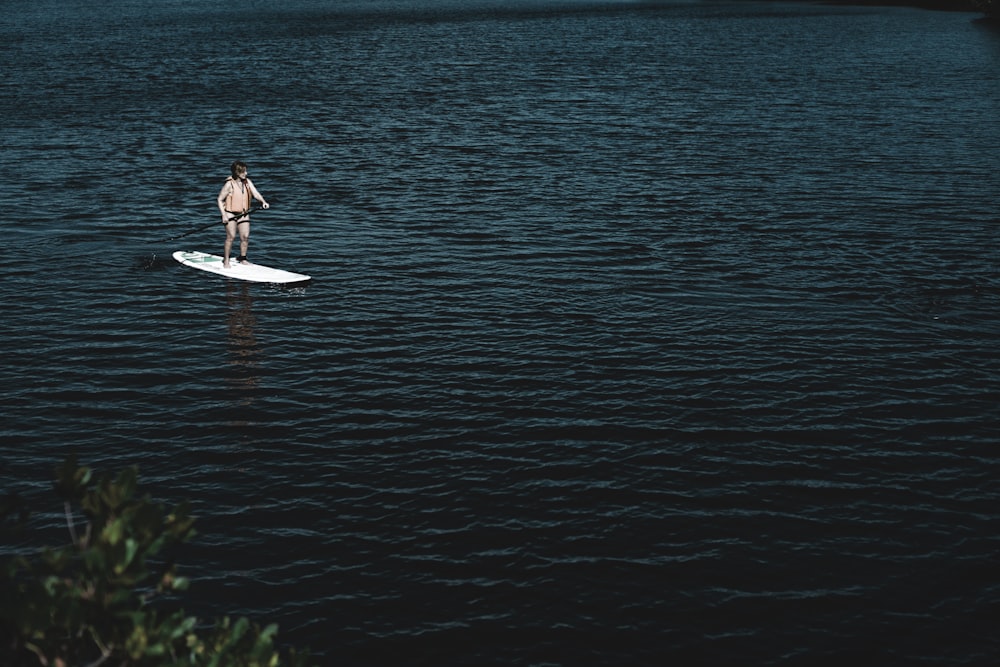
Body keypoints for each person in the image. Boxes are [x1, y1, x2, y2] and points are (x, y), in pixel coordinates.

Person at [218, 161, 269, 268]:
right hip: (230, 213)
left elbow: (255, 193)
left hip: (244, 213)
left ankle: (243, 258)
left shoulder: (247, 182)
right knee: (230, 237)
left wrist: (263, 202)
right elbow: (219, 199)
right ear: (237, 172)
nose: (246, 173)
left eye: (246, 171)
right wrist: (224, 215)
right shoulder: (229, 184)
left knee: (245, 237)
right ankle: (226, 260)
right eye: (243, 171)